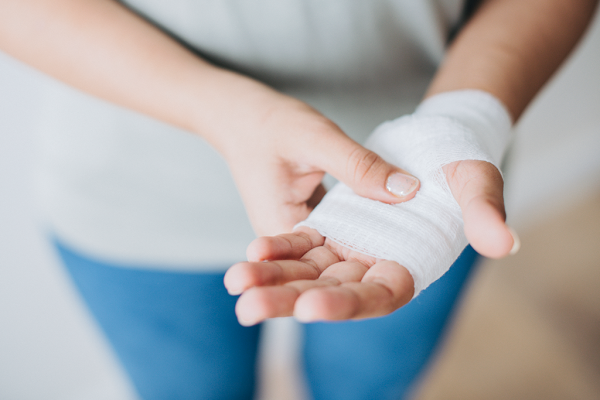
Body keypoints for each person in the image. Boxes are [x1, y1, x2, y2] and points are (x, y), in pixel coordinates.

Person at [0, 0, 597, 399]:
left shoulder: (425, 205)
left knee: (368, 388)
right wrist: (219, 108)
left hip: (423, 207)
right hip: (134, 197)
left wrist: (460, 119)